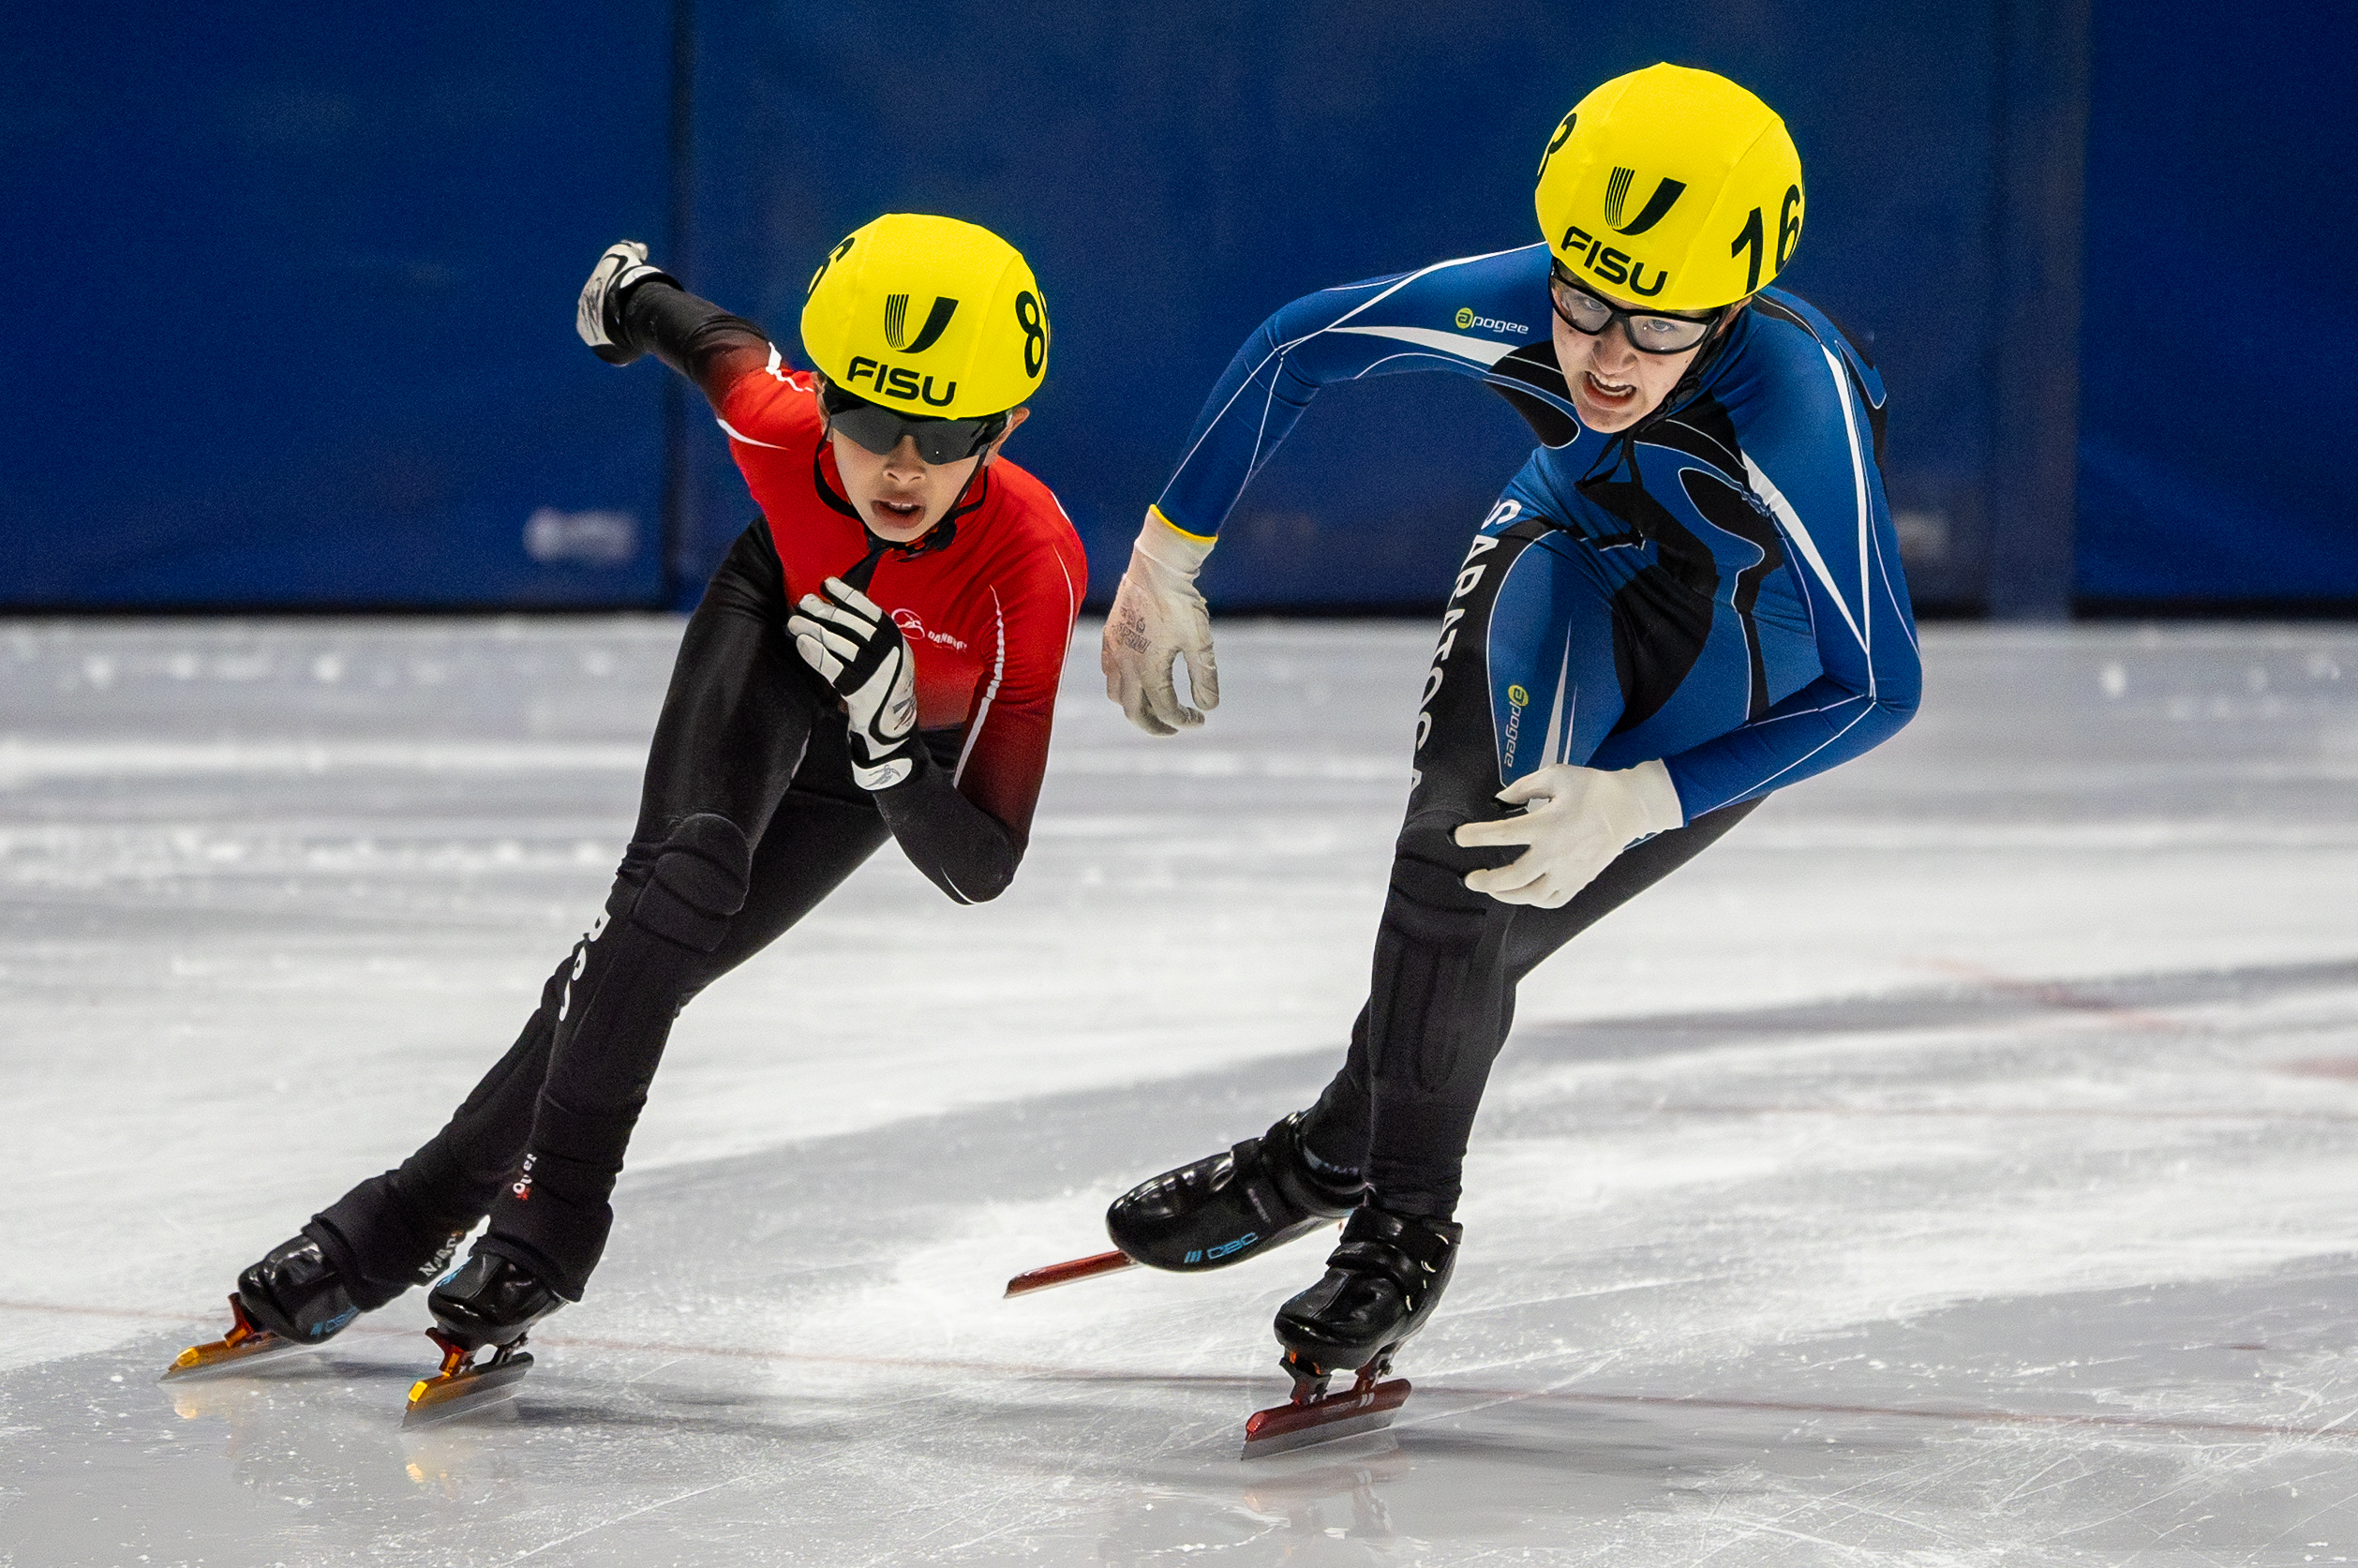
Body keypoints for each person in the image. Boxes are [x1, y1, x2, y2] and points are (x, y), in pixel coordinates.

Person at [1096, 65, 1921, 1397]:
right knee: (1457, 861)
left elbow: (1878, 686)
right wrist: (1162, 558)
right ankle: (1401, 1228)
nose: (1605, 356)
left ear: (1732, 309)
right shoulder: (1519, 302)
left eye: (1660, 325)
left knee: (1484, 938)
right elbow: (1302, 343)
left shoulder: (1793, 404)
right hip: (1566, 550)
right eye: (1581, 300)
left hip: (1736, 675)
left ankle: (1323, 1153)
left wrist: (1649, 795)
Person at [201, 214, 1085, 1372]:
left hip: (890, 752)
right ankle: (541, 1229)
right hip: (773, 622)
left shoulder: (1031, 566)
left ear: (1007, 425)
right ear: (823, 399)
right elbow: (712, 343)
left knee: (641, 965)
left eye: (947, 433)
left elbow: (984, 865)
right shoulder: (778, 428)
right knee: (671, 893)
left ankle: (409, 1214)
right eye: (869, 423)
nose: (901, 466)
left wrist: (887, 754)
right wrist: (628, 296)